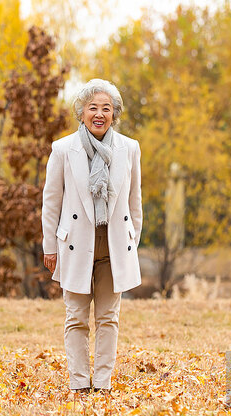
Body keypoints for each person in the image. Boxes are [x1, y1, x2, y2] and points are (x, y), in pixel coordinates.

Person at [41, 78, 142, 394]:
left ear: (115, 114)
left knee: (109, 318)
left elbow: (134, 201)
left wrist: (131, 240)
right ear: (81, 112)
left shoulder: (130, 148)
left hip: (114, 244)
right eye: (93, 108)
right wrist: (49, 246)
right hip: (75, 243)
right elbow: (51, 201)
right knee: (76, 318)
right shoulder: (62, 149)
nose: (99, 114)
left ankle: (102, 383)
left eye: (106, 109)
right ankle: (79, 384)